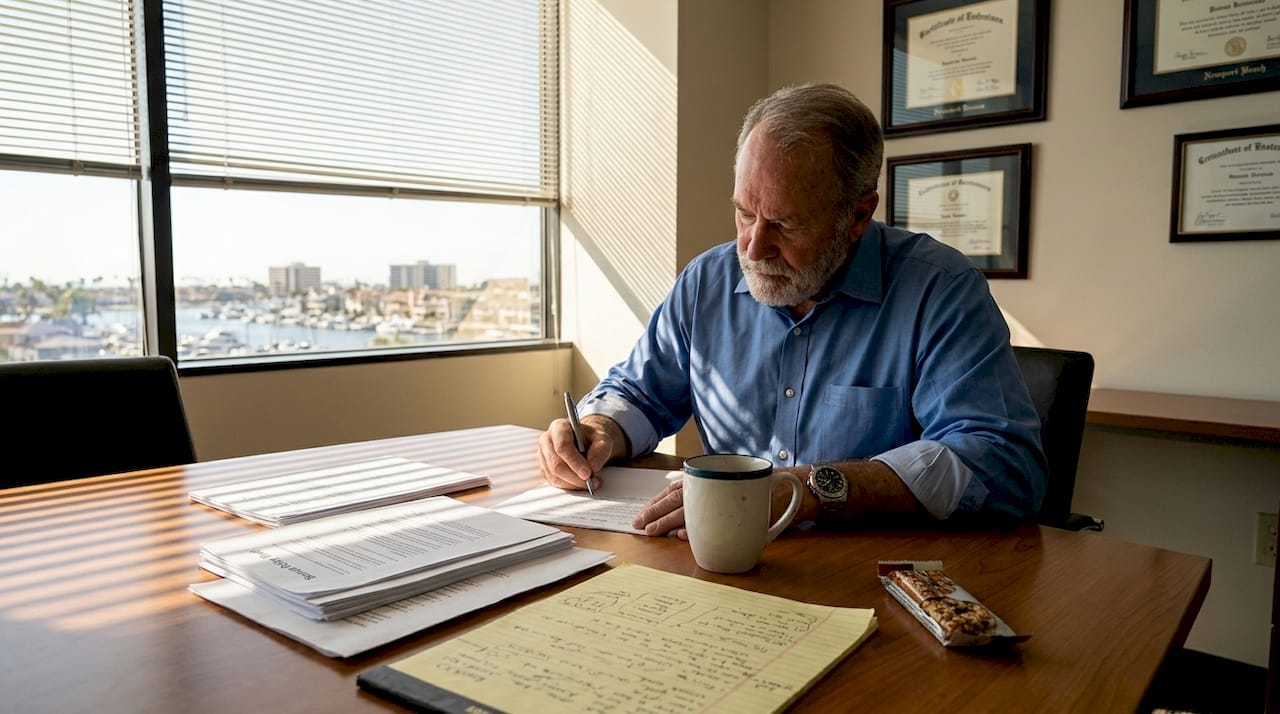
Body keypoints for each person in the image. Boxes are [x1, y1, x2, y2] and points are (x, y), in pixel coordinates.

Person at [538, 82, 1046, 538]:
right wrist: (600, 429)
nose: (753, 247)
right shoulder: (706, 283)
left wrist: (809, 490)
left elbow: (1002, 464)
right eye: (744, 213)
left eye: (785, 224)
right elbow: (639, 393)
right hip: (722, 563)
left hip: (870, 573)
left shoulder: (940, 290)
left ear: (858, 215)